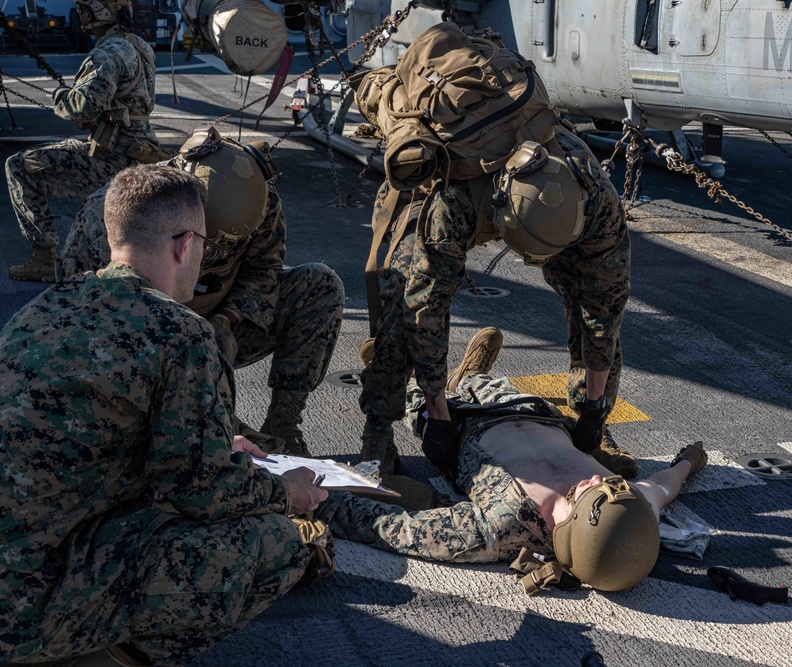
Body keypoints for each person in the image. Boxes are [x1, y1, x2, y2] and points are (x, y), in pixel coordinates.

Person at [0, 165, 330, 667]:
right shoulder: (180, 332)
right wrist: (289, 491)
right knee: (277, 543)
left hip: (24, 553)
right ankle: (104, 655)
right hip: (27, 610)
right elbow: (203, 491)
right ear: (184, 244)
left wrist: (218, 447)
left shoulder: (43, 309)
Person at [356, 34, 636, 479]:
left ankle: (595, 426)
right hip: (445, 176)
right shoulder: (451, 208)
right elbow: (425, 311)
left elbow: (606, 307)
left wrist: (592, 414)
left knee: (594, 300)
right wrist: (438, 412)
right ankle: (378, 429)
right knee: (399, 301)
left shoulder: (592, 193)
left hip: (546, 206)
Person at [320, 329, 707, 592]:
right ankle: (471, 374)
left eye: (593, 494)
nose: (598, 482)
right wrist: (689, 463)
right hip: (530, 410)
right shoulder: (626, 510)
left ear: (577, 530)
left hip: (460, 430)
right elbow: (661, 487)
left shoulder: (502, 529)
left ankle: (398, 378)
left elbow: (396, 530)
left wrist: (316, 498)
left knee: (416, 401)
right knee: (493, 387)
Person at [60, 126, 344, 457]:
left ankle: (284, 422)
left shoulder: (255, 198)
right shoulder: (114, 213)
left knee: (319, 284)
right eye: (207, 240)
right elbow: (80, 307)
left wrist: (226, 320)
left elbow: (264, 268)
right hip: (139, 337)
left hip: (223, 322)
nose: (210, 253)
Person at [6, 0, 167, 282]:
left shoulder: (108, 51)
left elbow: (83, 107)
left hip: (112, 155)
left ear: (99, 12)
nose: (80, 14)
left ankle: (45, 258)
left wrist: (61, 97)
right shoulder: (139, 44)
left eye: (84, 8)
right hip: (142, 148)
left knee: (20, 166)